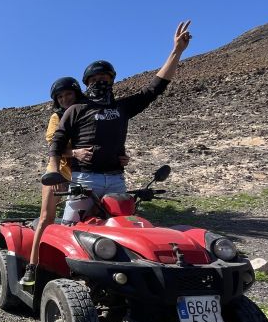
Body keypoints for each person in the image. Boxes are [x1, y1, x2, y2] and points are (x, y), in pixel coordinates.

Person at [45, 20, 192, 226]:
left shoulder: (123, 108)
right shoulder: (76, 110)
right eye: (93, 79)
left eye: (104, 77)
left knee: (121, 229)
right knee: (71, 229)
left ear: (112, 80)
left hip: (116, 180)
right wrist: (54, 171)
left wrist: (176, 51)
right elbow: (57, 142)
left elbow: (153, 89)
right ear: (87, 84)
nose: (99, 82)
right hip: (85, 179)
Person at [19, 79, 130, 289]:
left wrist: (121, 156)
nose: (64, 100)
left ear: (77, 94)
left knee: (97, 219)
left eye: (68, 95)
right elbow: (54, 144)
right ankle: (32, 267)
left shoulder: (90, 113)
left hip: (86, 174)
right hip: (60, 171)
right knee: (46, 218)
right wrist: (73, 153)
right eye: (60, 97)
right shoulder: (58, 116)